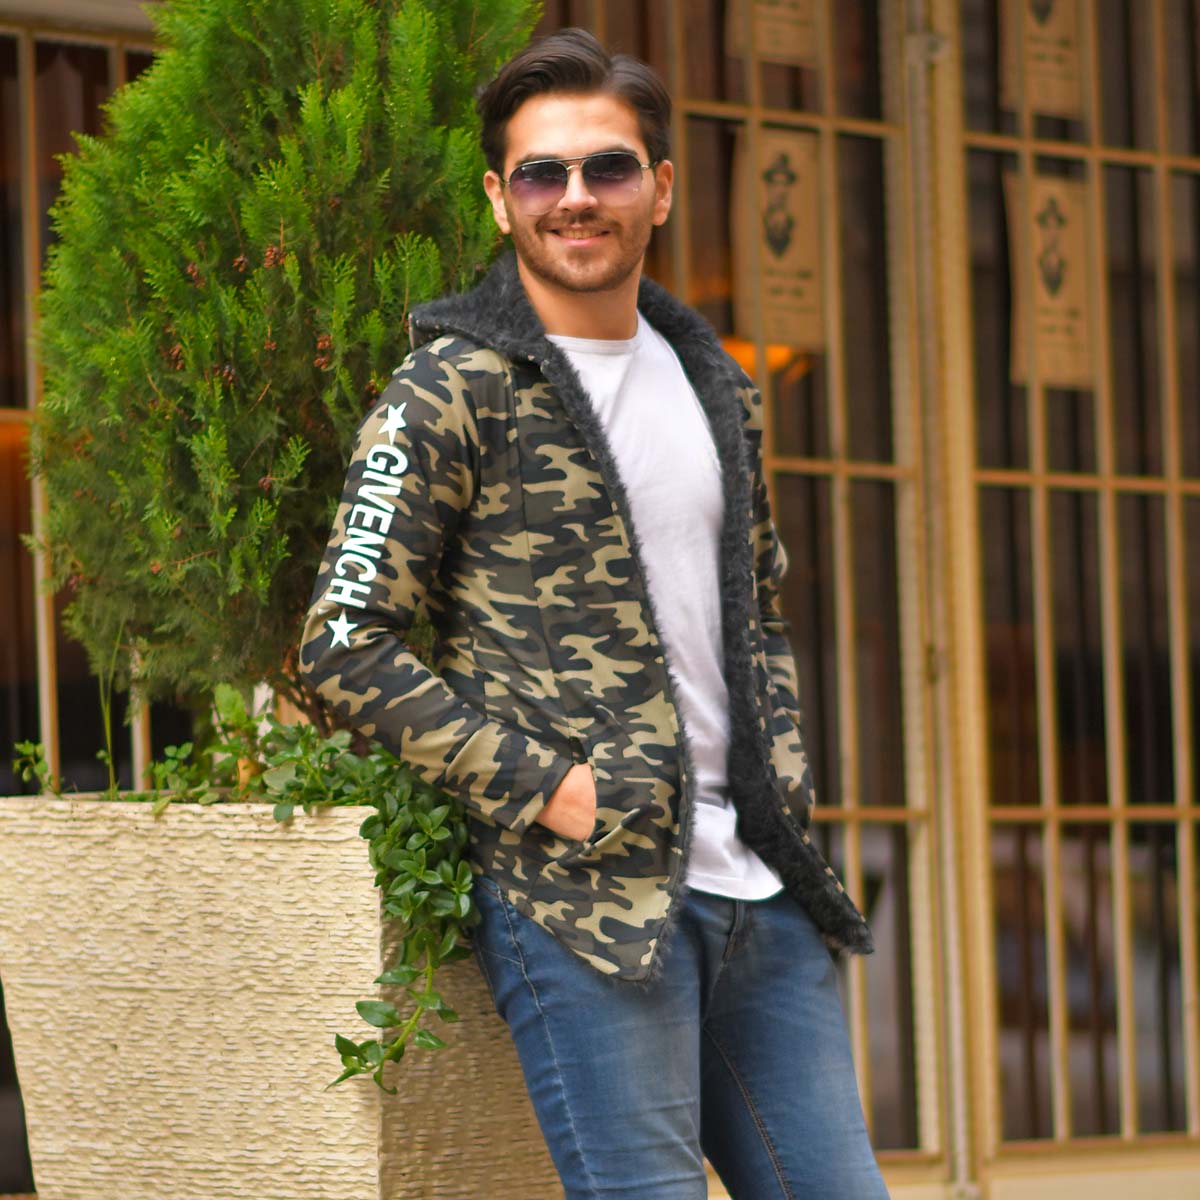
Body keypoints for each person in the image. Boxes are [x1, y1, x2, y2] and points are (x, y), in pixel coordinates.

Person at [299, 27, 889, 1200]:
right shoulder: (451, 386)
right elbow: (343, 644)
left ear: (659, 189)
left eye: (607, 167)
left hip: (757, 887)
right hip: (583, 903)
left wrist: (783, 780)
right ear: (499, 198)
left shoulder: (714, 381)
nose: (576, 197)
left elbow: (755, 609)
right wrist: (551, 791)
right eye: (542, 173)